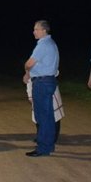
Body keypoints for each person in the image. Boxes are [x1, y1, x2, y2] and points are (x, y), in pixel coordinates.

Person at [23, 20, 60, 157]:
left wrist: (26, 68)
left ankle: (43, 148)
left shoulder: (43, 44)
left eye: (36, 29)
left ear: (44, 30)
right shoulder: (51, 43)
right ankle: (48, 145)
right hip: (48, 81)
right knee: (48, 116)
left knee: (42, 116)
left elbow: (29, 63)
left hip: (42, 82)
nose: (34, 32)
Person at [25, 74, 64, 143]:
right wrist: (30, 94)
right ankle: (41, 135)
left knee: (54, 114)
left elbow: (55, 72)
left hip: (49, 86)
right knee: (38, 114)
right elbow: (29, 77)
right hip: (36, 86)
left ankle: (53, 136)